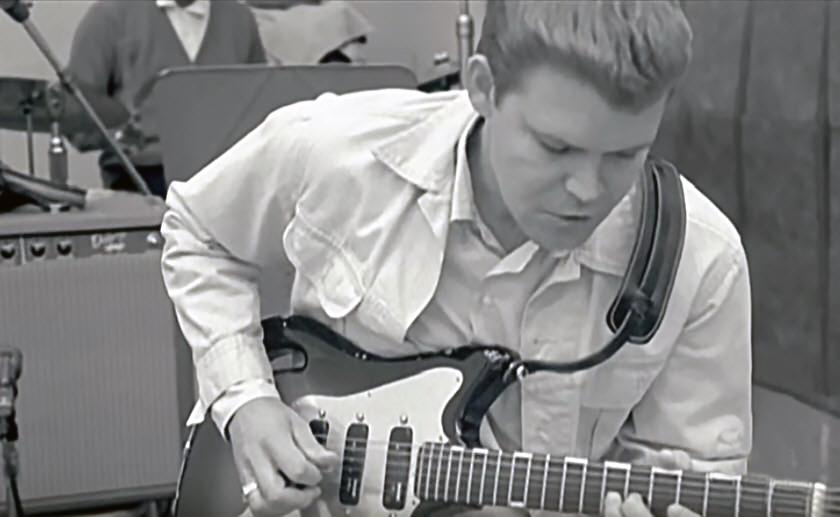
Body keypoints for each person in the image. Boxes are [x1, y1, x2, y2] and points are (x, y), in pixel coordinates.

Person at [159, 1, 751, 516]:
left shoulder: (700, 262)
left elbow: (692, 475)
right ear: (483, 87)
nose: (588, 190)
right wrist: (247, 403)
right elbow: (198, 230)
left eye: (626, 154)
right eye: (555, 147)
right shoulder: (337, 150)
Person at [65, 0, 268, 198]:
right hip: (143, 176)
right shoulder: (108, 16)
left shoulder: (239, 19)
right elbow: (77, 114)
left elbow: (261, 108)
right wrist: (126, 132)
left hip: (227, 179)